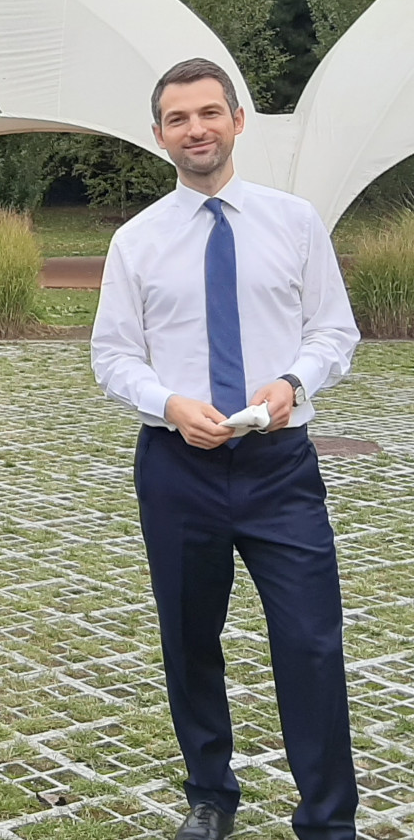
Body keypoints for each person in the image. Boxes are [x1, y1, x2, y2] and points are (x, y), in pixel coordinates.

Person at [90, 58, 360, 840]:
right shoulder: (137, 242)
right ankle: (211, 795)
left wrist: (292, 382)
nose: (196, 129)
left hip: (281, 468)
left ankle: (327, 818)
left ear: (238, 121)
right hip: (179, 468)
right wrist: (167, 403)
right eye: (179, 119)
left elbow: (333, 332)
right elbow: (113, 356)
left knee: (310, 641)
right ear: (159, 135)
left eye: (209, 113)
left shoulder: (295, 223)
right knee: (189, 638)